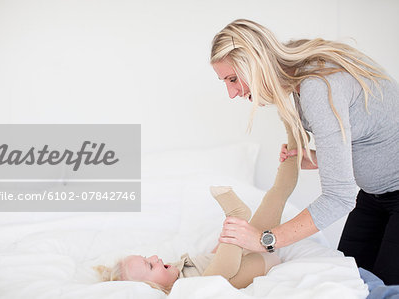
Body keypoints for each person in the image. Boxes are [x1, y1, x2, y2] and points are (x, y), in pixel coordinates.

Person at [211, 19, 399, 285]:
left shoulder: (317, 87)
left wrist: (266, 240)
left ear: (255, 64)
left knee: (383, 290)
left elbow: (338, 197)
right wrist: (321, 157)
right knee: (350, 283)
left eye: (232, 79)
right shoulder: (298, 67)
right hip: (373, 196)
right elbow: (374, 128)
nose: (231, 93)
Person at [96, 122, 302, 293]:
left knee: (275, 195)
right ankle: (236, 216)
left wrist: (227, 238)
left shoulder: (178, 266)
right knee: (209, 284)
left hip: (252, 249)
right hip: (251, 267)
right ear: (152, 287)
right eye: (150, 265)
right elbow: (220, 269)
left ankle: (295, 136)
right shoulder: (179, 291)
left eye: (147, 258)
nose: (154, 258)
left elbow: (214, 256)